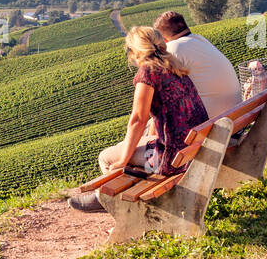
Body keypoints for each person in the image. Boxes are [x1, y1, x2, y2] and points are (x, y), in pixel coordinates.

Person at [69, 26, 209, 212]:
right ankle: (117, 200)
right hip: (193, 149)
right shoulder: (175, 67)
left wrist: (123, 159)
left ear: (135, 51)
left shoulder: (148, 72)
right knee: (130, 144)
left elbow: (138, 119)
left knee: (107, 157)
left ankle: (114, 206)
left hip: (172, 158)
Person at [154, 10, 241, 119]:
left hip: (213, 120)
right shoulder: (200, 39)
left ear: (163, 38)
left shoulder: (173, 48)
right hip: (236, 112)